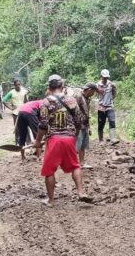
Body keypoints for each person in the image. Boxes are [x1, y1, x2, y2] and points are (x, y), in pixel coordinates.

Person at [34, 75, 92, 206]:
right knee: (75, 166)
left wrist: (38, 141)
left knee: (49, 170)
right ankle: (81, 192)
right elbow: (79, 120)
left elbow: (43, 125)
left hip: (54, 139)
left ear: (49, 88)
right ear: (62, 87)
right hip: (69, 138)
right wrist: (73, 134)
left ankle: (51, 200)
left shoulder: (46, 103)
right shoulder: (71, 100)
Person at [68, 83, 97, 169]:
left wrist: (89, 126)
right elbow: (71, 109)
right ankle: (72, 163)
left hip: (84, 124)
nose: (94, 94)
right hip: (78, 125)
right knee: (77, 145)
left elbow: (86, 112)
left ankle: (81, 163)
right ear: (90, 90)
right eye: (94, 91)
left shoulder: (86, 98)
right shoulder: (78, 96)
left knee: (82, 146)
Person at [96, 69, 118, 144]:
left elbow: (114, 93)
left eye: (107, 77)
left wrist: (111, 99)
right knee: (101, 123)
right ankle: (101, 140)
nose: (105, 78)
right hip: (101, 107)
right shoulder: (97, 85)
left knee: (112, 121)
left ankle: (113, 138)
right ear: (101, 76)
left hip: (110, 106)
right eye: (104, 77)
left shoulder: (111, 84)